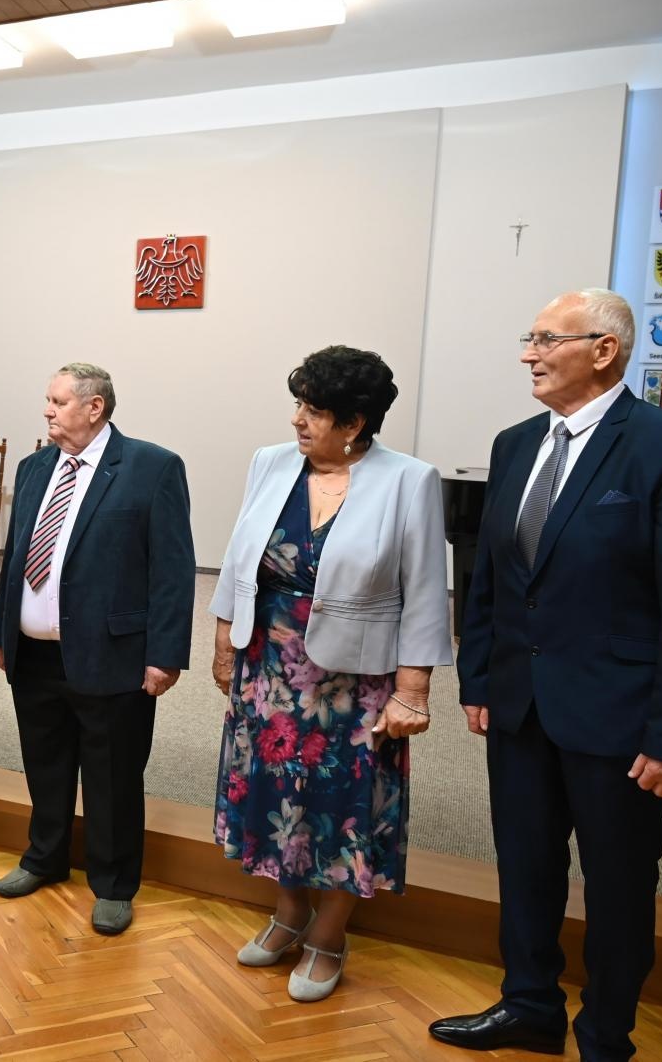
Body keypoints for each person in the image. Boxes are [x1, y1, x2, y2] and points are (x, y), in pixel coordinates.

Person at [430, 289, 662, 1061]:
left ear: (604, 350)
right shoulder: (513, 443)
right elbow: (492, 578)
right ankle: (528, 1006)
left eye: (546, 340)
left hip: (622, 721)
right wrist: (480, 681)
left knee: (620, 889)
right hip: (520, 710)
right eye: (528, 339)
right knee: (526, 869)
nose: (529, 354)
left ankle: (605, 1035)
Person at [209, 346, 451, 1001]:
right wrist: (225, 635)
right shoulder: (271, 462)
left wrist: (414, 689)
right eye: (299, 405)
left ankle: (330, 933)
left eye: (315, 411)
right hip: (270, 666)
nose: (298, 421)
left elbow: (426, 589)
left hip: (354, 680)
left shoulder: (409, 480)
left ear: (355, 422)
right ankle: (289, 913)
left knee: (341, 806)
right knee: (274, 795)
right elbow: (239, 557)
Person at [0, 363, 194, 936]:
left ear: (95, 407)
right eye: (47, 401)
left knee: (112, 773)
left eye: (56, 402)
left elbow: (173, 570)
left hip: (113, 654)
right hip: (35, 653)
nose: (47, 411)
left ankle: (113, 883)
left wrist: (166, 653)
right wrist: (2, 631)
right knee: (45, 764)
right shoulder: (33, 468)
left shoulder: (152, 468)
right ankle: (44, 858)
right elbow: (16, 555)